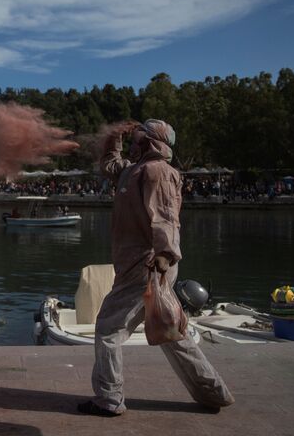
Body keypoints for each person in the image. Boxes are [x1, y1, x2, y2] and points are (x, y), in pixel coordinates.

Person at [78, 119, 234, 417]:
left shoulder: (158, 172)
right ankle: (213, 392)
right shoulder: (133, 171)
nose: (133, 141)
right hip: (139, 265)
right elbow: (110, 165)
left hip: (147, 264)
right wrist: (114, 138)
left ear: (148, 142)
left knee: (109, 328)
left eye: (136, 138)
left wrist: (164, 255)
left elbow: (165, 216)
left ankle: (109, 399)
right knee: (170, 329)